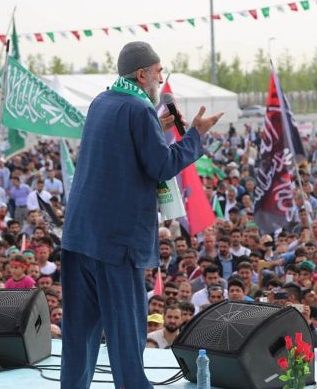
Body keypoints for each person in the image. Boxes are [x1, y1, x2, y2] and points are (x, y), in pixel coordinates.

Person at [61, 41, 223, 389]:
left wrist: (157, 124)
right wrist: (195, 135)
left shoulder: (101, 102)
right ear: (141, 74)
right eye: (158, 72)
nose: (160, 79)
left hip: (79, 237)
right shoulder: (139, 110)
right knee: (126, 334)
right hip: (117, 242)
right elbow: (160, 165)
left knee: (80, 332)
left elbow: (126, 144)